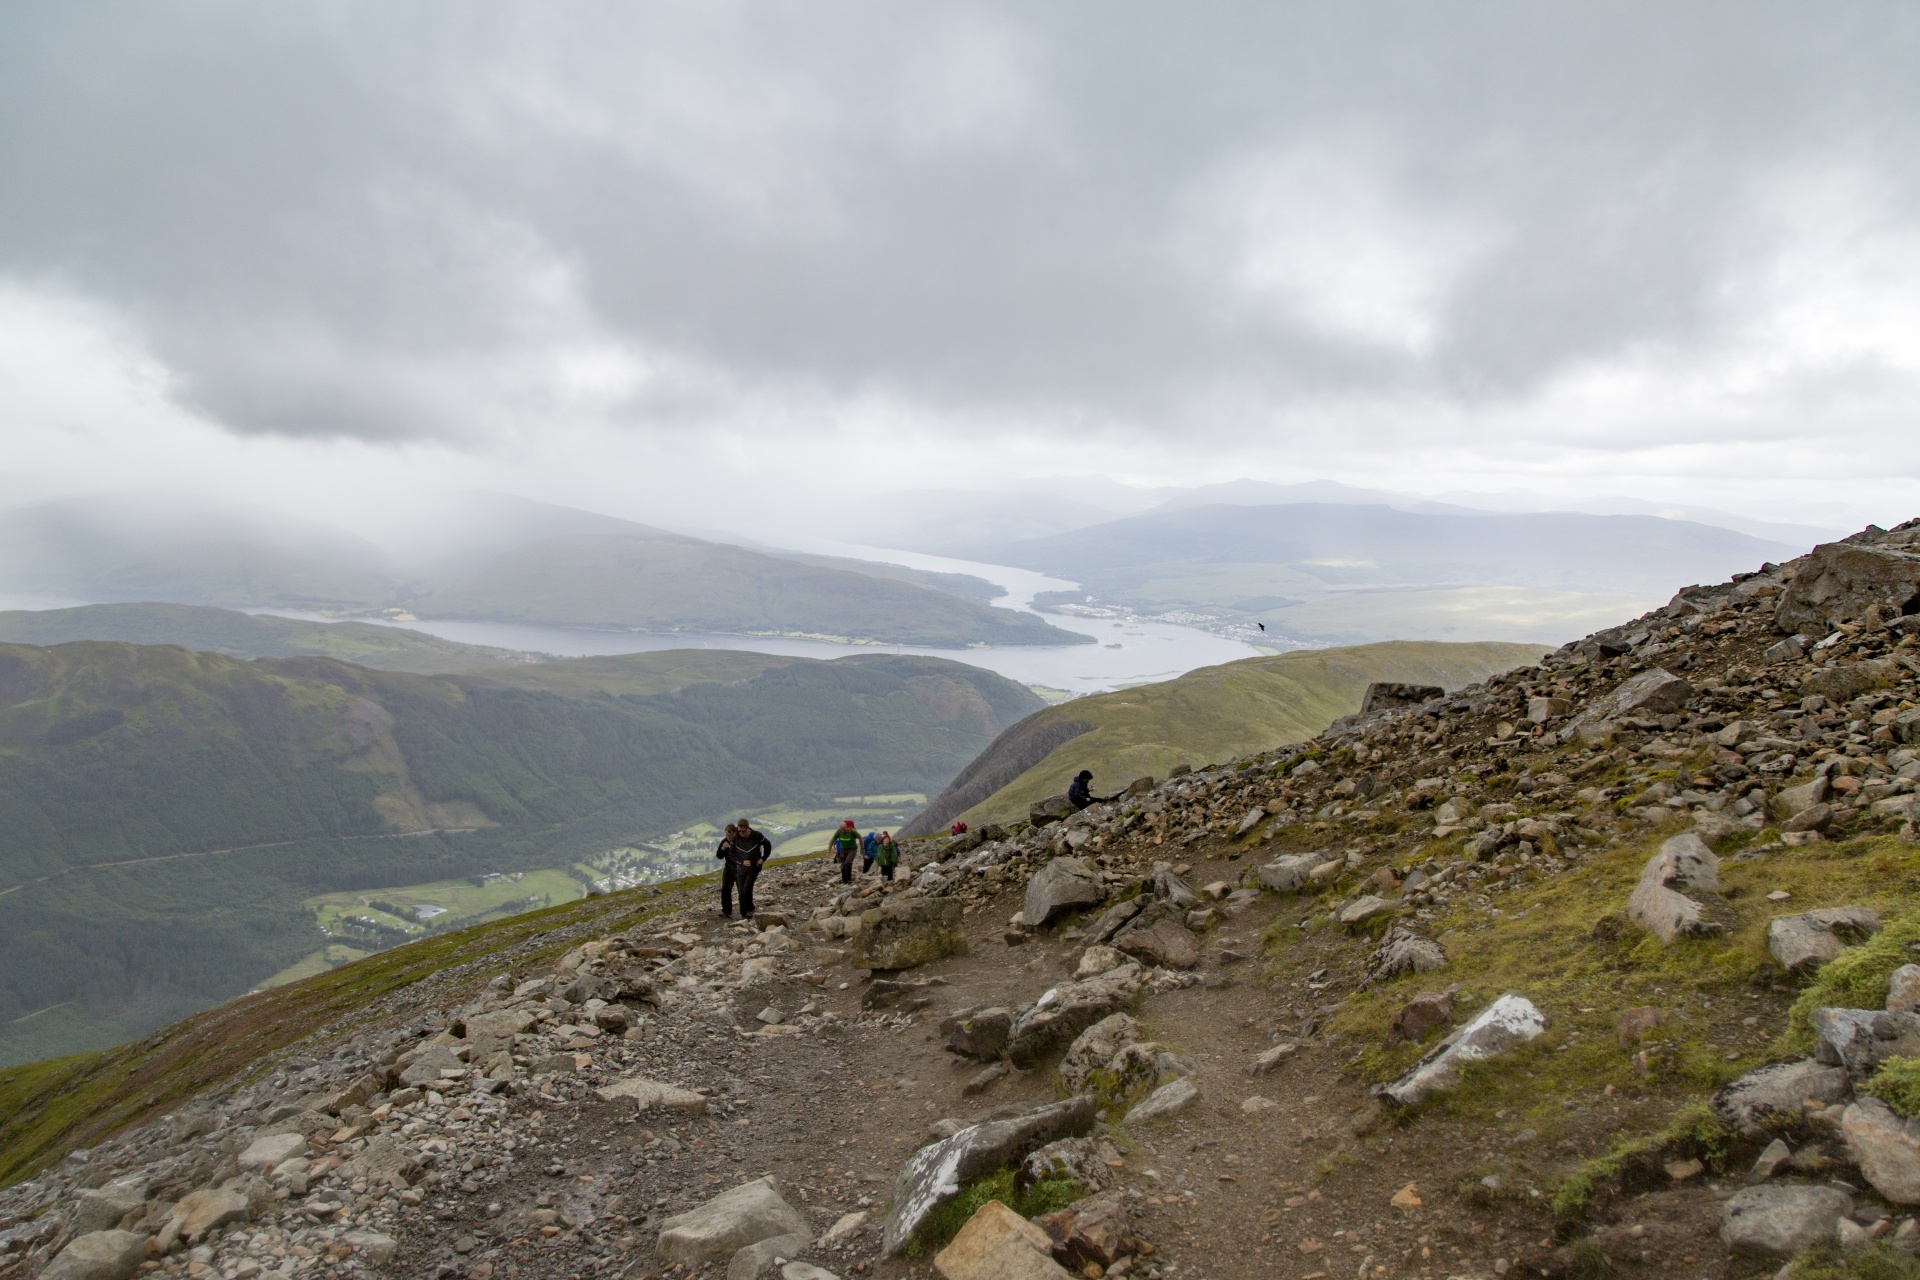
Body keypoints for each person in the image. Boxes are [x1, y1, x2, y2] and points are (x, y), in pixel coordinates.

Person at [721, 819, 772, 918]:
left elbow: (767, 844)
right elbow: (731, 854)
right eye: (739, 831)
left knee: (747, 888)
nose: (741, 833)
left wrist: (763, 858)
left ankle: (750, 909)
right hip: (741, 868)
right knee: (741, 892)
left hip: (754, 866)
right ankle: (744, 914)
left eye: (743, 831)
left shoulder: (757, 836)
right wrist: (741, 862)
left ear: (748, 828)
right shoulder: (736, 838)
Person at [829, 819, 861, 884]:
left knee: (848, 862)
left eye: (844, 828)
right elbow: (832, 840)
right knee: (843, 865)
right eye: (841, 828)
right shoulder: (838, 832)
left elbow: (860, 837)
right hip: (843, 850)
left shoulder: (852, 831)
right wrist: (828, 851)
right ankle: (844, 880)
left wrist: (862, 848)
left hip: (852, 849)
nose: (842, 830)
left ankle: (849, 879)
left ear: (847, 827)